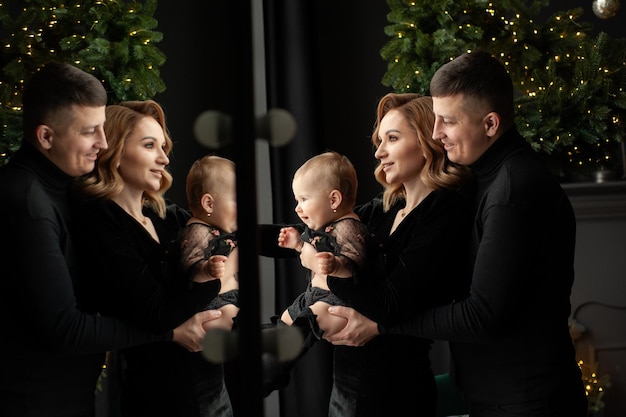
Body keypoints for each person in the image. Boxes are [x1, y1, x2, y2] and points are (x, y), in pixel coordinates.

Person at [325, 51, 588, 417]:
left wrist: (381, 325)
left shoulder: (513, 190)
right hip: (494, 394)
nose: (435, 134)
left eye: (447, 121)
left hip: (527, 401)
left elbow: (482, 314)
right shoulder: (477, 181)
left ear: (491, 124)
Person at [0, 62, 220, 417]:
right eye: (90, 132)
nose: (102, 144)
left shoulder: (71, 193)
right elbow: (64, 328)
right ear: (45, 137)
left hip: (69, 397)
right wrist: (169, 333)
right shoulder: (27, 202)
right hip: (31, 402)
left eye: (103, 129)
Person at [263, 94, 474, 416]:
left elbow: (389, 305)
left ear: (426, 141)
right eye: (379, 140)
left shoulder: (445, 210)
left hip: (394, 391)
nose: (379, 152)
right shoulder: (385, 208)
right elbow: (314, 231)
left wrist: (321, 266)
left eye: (392, 138)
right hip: (349, 382)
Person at [70, 100, 233, 417]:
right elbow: (157, 312)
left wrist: (299, 237)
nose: (164, 158)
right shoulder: (99, 219)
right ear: (115, 151)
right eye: (149, 146)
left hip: (212, 389)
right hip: (161, 397)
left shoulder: (163, 214)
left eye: (163, 146)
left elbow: (226, 234)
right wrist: (214, 279)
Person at [276, 151, 371, 339]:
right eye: (297, 200)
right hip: (313, 294)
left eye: (304, 199)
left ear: (333, 199)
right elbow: (311, 251)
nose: (297, 208)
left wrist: (336, 265)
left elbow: (355, 264)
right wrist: (297, 244)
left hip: (335, 301)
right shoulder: (324, 226)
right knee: (286, 318)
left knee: (316, 319)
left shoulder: (347, 226)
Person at [180, 154, 240, 331]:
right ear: (209, 204)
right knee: (231, 317)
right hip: (212, 305)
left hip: (228, 298)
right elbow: (187, 267)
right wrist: (206, 269)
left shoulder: (219, 229)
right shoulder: (198, 230)